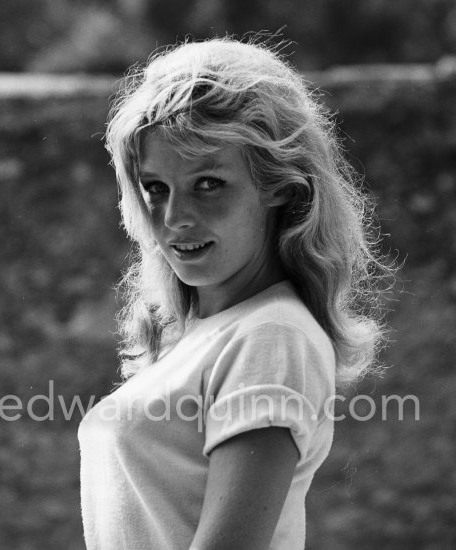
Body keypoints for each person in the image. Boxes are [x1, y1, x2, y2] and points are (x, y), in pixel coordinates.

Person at [78, 37, 392, 550]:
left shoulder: (270, 337)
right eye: (155, 187)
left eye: (208, 183)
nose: (175, 217)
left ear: (280, 186)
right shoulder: (214, 333)